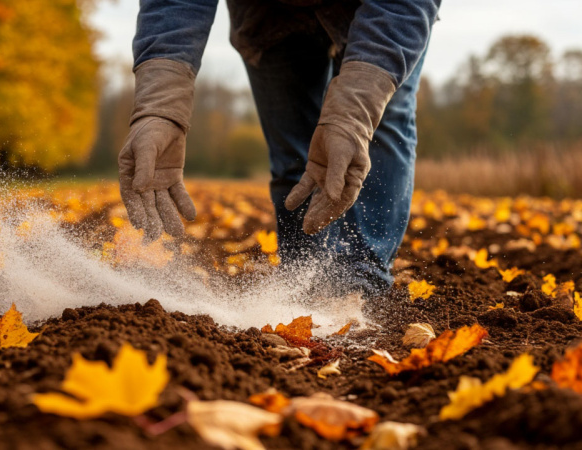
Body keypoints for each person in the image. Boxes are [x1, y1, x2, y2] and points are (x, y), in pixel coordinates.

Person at [118, 0, 441, 298]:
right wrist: (160, 107)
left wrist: (355, 113)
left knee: (380, 122)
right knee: (297, 156)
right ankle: (303, 282)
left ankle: (360, 281)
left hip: (382, 11)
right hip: (268, 16)